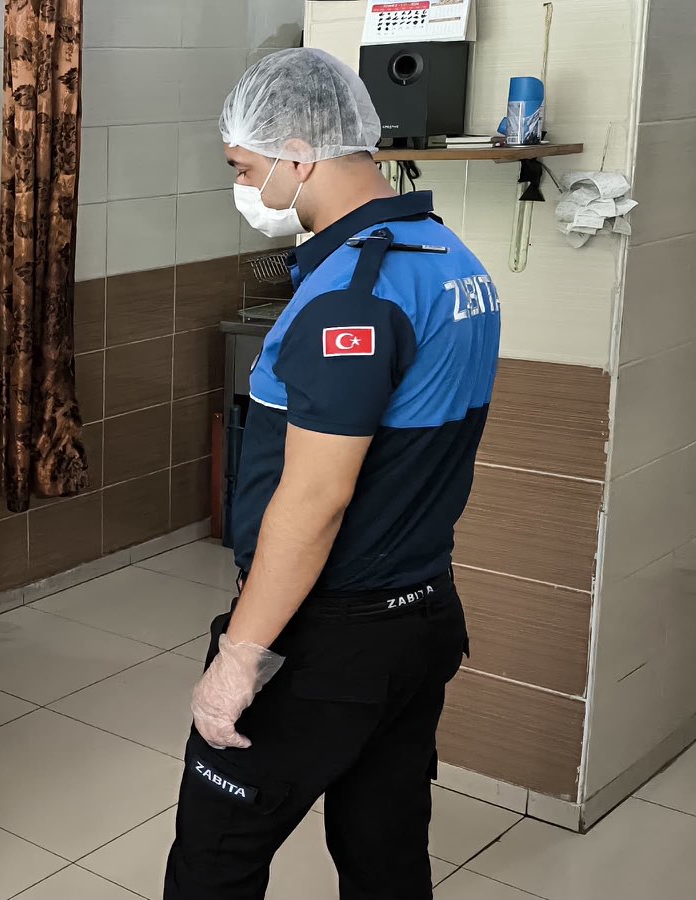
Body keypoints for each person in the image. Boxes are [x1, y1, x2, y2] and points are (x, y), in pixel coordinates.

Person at [163, 49, 497, 899]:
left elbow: (314, 499)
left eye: (242, 167)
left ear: (298, 152)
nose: (242, 187)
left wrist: (241, 656)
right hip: (421, 612)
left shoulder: (354, 294)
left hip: (333, 634)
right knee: (384, 849)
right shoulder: (451, 259)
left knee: (215, 855)